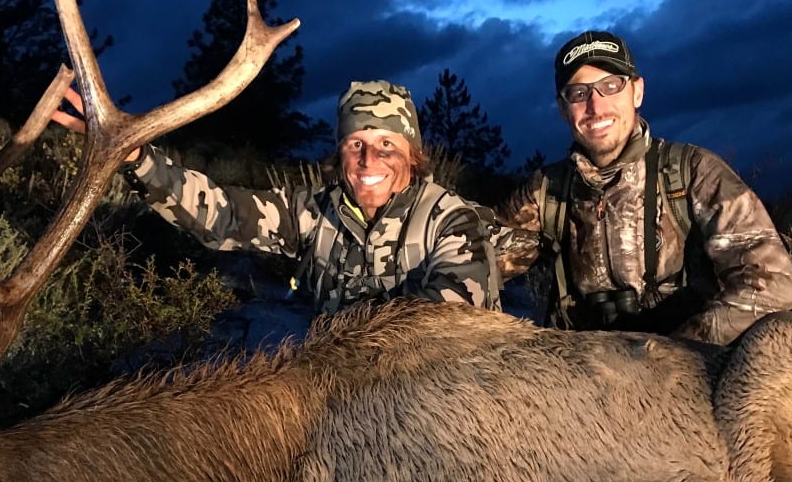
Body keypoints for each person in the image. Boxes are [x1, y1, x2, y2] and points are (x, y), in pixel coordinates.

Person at [52, 80, 500, 314]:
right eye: (355, 143)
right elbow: (222, 215)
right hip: (348, 397)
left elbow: (447, 320)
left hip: (443, 401)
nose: (368, 160)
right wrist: (135, 157)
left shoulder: (451, 221)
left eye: (387, 145)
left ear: (414, 156)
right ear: (340, 151)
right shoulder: (312, 211)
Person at [494, 31, 792, 345]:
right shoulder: (545, 192)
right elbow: (479, 264)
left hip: (684, 374)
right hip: (583, 378)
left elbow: (776, 286)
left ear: (637, 92)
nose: (596, 106)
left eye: (611, 86)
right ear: (563, 108)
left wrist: (680, 348)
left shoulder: (693, 173)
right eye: (578, 93)